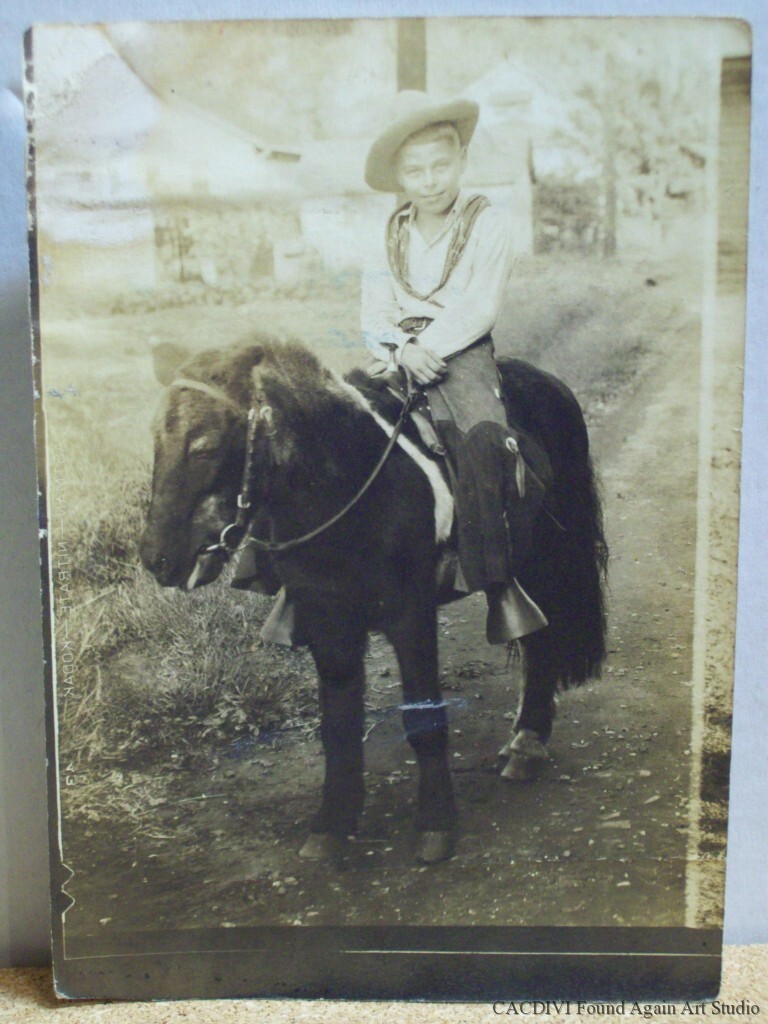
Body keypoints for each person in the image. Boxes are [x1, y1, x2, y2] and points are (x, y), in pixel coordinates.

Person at [360, 90, 549, 644]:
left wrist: (430, 350)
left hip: (459, 351)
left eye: (441, 164)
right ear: (399, 176)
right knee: (337, 423)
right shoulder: (388, 232)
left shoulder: (487, 225)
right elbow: (373, 312)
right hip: (396, 351)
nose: (430, 180)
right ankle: (296, 584)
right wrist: (397, 351)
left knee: (481, 438)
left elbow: (479, 306)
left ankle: (497, 579)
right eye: (414, 170)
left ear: (462, 161)